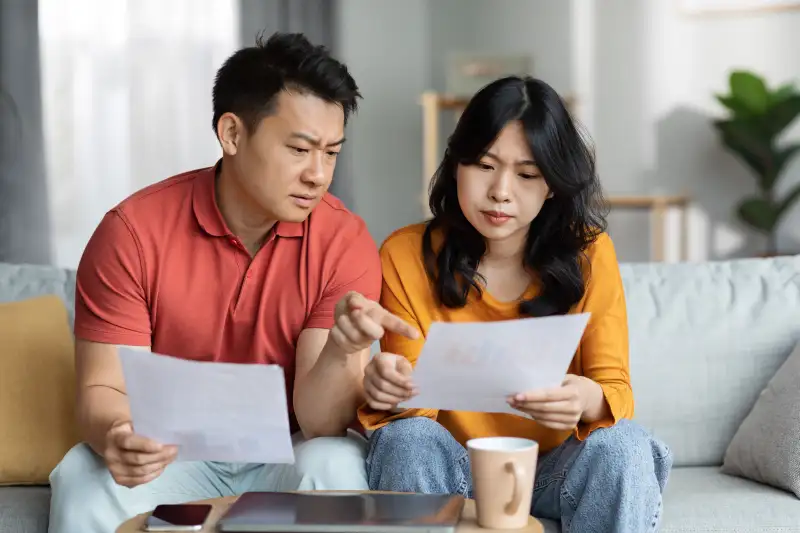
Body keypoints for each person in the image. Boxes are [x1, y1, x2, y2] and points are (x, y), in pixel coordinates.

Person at [48, 32, 417, 533]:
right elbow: (102, 386)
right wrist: (119, 434)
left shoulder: (343, 239)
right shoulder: (132, 233)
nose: (318, 174)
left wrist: (340, 349)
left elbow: (321, 423)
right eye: (299, 149)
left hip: (286, 452)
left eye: (331, 152)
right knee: (81, 476)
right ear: (232, 134)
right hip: (170, 453)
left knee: (334, 461)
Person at [357, 76, 673, 532]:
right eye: (484, 166)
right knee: (407, 439)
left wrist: (583, 398)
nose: (501, 191)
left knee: (621, 445)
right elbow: (413, 414)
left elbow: (615, 388)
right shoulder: (404, 255)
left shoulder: (590, 254)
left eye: (527, 175)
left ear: (552, 186)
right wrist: (391, 388)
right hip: (453, 472)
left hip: (553, 474)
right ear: (457, 165)